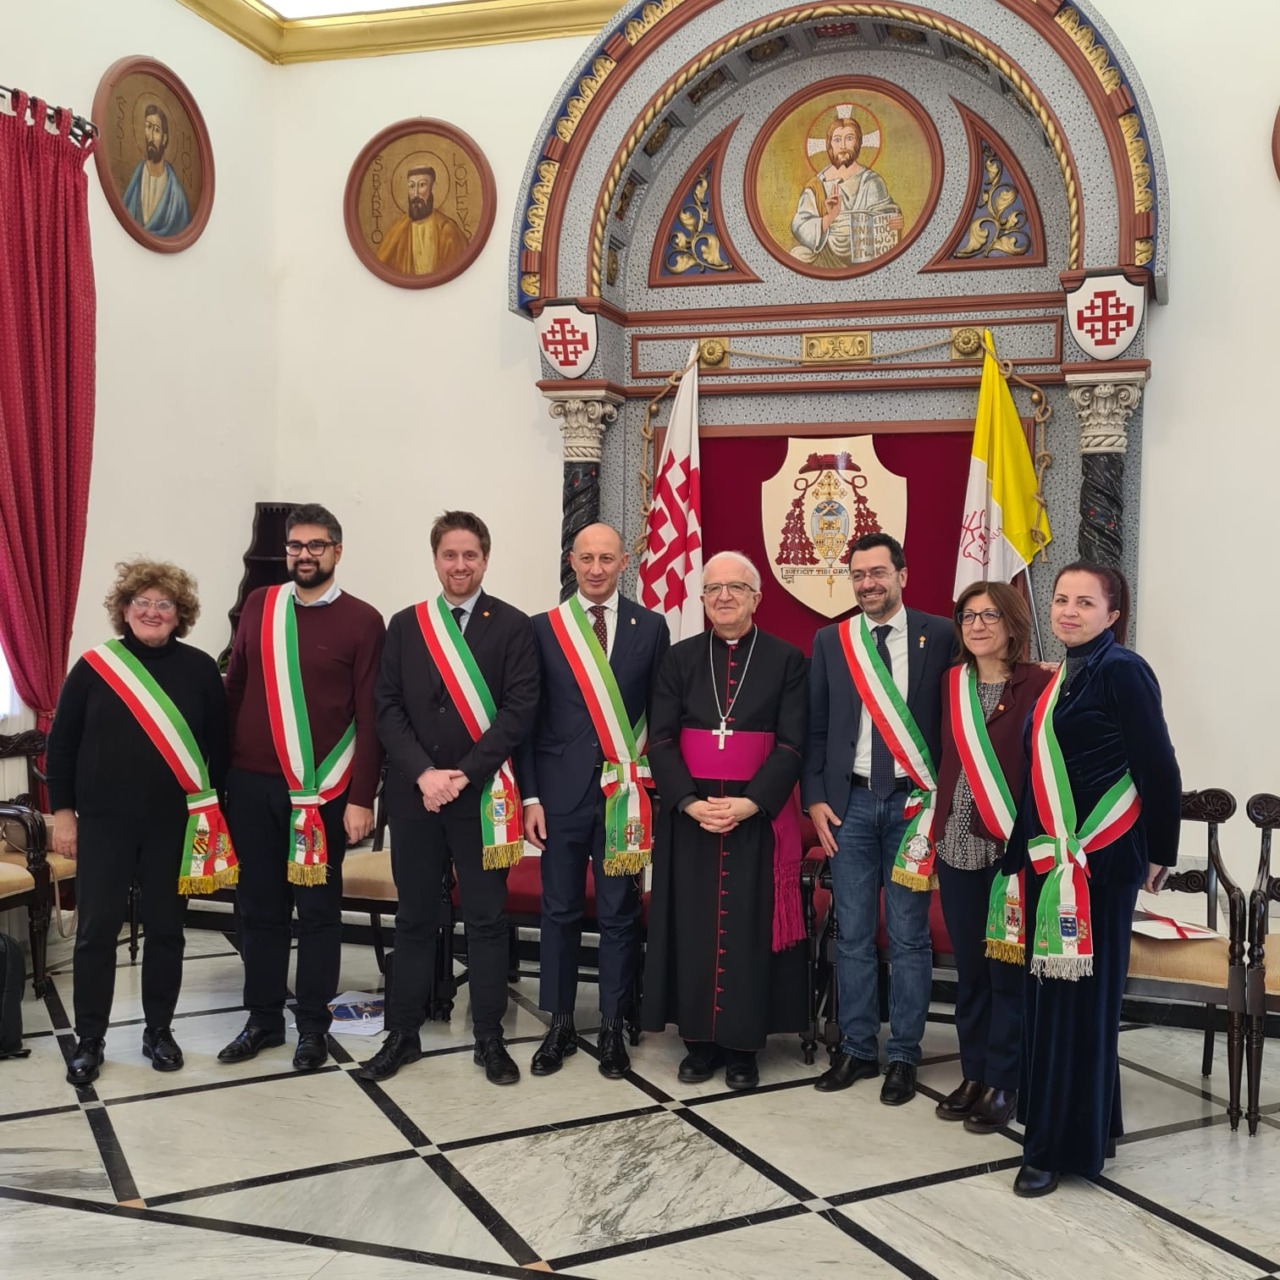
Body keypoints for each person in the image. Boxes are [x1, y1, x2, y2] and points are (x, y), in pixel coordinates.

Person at [1009, 562, 1180, 1197]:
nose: (1069, 611)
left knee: (1081, 1005)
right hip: (1051, 862)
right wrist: (1018, 856)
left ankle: (1052, 1150)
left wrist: (1162, 848)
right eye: (1060, 600)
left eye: (1085, 602)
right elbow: (1037, 773)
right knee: (1053, 1004)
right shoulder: (1062, 677)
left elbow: (1158, 764)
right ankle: (1086, 1129)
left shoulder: (1123, 669)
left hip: (1099, 862)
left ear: (1113, 614)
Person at [361, 510, 539, 1085]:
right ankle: (402, 1033)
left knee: (486, 921)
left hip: (482, 798)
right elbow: (385, 707)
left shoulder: (512, 626)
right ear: (435, 559)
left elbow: (519, 712)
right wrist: (422, 773)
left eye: (469, 555)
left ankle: (489, 1036)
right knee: (413, 918)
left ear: (485, 559)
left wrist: (461, 774)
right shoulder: (407, 624)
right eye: (449, 555)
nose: (459, 565)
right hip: (418, 798)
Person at [46, 560, 230, 1085]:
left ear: (180, 614)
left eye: (164, 604)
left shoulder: (198, 670)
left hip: (174, 825)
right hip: (104, 823)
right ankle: (90, 1040)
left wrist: (211, 818)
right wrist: (64, 814)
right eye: (142, 603)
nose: (152, 612)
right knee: (96, 932)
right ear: (125, 610)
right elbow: (61, 746)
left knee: (168, 931)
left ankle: (159, 1032)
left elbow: (218, 749)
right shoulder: (95, 667)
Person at [218, 504, 385, 1071]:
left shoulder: (364, 620)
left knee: (317, 913)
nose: (304, 555)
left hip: (322, 795)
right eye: (295, 545)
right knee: (258, 910)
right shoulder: (261, 606)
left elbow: (369, 713)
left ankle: (312, 1025)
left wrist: (362, 797)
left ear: (337, 551)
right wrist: (220, 779)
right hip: (250, 785)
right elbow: (236, 685)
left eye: (316, 545)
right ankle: (262, 1019)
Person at [641, 551, 808, 1090]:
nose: (724, 597)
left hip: (755, 818)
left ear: (757, 597)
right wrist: (689, 801)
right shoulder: (678, 658)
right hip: (689, 818)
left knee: (747, 928)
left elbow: (791, 743)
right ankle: (697, 1041)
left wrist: (749, 803)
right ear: (702, 600)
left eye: (736, 588)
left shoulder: (787, 660)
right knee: (692, 925)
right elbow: (661, 739)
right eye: (713, 589)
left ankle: (742, 1046)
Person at [804, 532, 955, 1104]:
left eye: (878, 573)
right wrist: (815, 799)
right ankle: (859, 1048)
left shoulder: (940, 634)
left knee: (912, 936)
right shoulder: (830, 640)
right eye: (859, 575)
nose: (868, 584)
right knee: (853, 932)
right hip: (851, 806)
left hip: (916, 805)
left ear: (903, 575)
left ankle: (904, 1056)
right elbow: (816, 726)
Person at [517, 524, 669, 1079]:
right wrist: (530, 795)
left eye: (608, 558)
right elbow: (528, 722)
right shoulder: (544, 628)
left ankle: (611, 1024)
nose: (597, 568)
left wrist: (649, 788)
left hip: (622, 797)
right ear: (572, 561)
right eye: (587, 559)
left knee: (618, 915)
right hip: (557, 798)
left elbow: (660, 713)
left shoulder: (650, 627)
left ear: (624, 561)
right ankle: (557, 1022)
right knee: (556, 912)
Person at [932, 582, 1052, 1133]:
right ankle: (975, 1071)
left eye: (989, 615)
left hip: (1011, 850)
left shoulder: (1042, 685)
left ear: (1012, 623)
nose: (977, 625)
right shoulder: (951, 684)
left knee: (1008, 971)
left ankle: (1008, 1079)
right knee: (972, 970)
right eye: (968, 616)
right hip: (957, 844)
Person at [791, 109, 903, 268]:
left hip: (864, 253)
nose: (843, 145)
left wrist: (894, 222)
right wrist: (830, 217)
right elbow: (801, 226)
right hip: (826, 253)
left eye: (849, 138)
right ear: (829, 144)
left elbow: (886, 217)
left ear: (858, 142)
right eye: (837, 140)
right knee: (798, 255)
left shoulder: (871, 181)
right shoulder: (816, 186)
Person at [375, 166, 468, 275]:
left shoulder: (447, 231)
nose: (416, 194)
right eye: (411, 186)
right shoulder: (398, 231)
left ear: (433, 188)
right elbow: (381, 267)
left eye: (422, 185)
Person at [122, 104, 191, 237]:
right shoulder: (135, 182)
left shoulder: (177, 197)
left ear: (164, 139)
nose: (151, 136)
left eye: (157, 130)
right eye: (148, 127)